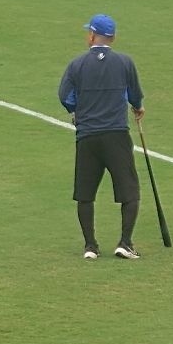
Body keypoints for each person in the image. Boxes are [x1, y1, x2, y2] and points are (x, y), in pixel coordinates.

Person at [58, 13, 145, 260]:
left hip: (87, 137)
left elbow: (64, 95)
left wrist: (76, 111)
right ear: (113, 38)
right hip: (116, 135)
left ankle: (90, 246)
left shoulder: (77, 65)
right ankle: (125, 243)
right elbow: (134, 94)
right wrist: (138, 107)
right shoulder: (125, 63)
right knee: (129, 191)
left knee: (85, 194)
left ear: (92, 36)